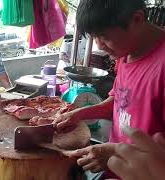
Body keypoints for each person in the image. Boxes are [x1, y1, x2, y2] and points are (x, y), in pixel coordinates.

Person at [52, 0, 165, 178]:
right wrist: (78, 114)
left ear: (137, 19)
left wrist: (114, 153)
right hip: (115, 171)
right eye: (94, 37)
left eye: (104, 36)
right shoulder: (126, 52)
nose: (98, 45)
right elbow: (120, 102)